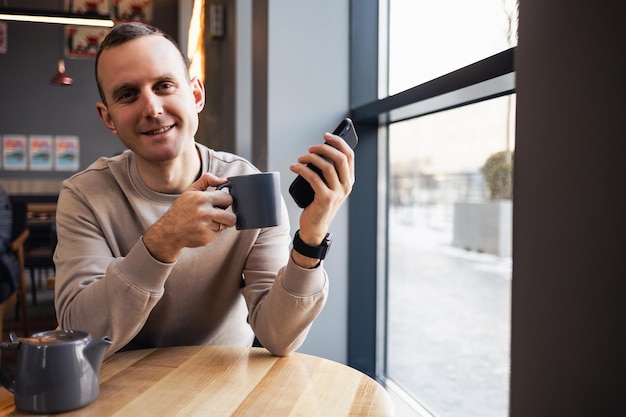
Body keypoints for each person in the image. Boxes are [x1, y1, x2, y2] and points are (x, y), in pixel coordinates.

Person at [53, 22, 355, 358]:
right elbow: (80, 335)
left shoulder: (248, 185)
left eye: (164, 85)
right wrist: (163, 240)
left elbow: (279, 337)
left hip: (225, 387)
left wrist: (311, 239)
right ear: (108, 118)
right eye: (128, 94)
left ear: (196, 95)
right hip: (123, 391)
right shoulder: (84, 195)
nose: (152, 109)